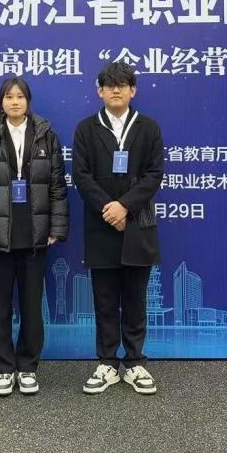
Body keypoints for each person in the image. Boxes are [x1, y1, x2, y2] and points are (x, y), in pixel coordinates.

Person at [0, 76, 68, 396]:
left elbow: (57, 185)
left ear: (28, 101)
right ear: (1, 102)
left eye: (20, 96)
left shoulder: (46, 135)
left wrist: (56, 228)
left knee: (31, 306)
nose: (14, 102)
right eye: (9, 97)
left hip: (34, 233)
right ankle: (2, 369)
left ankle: (27, 367)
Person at [72, 61, 164, 395]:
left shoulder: (148, 128)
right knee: (105, 300)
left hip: (137, 224)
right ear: (99, 91)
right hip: (100, 225)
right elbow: (81, 176)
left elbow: (154, 174)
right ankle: (108, 363)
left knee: (136, 299)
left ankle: (135, 362)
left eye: (122, 85)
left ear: (132, 91)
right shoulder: (86, 129)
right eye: (109, 85)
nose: (115, 90)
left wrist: (125, 206)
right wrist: (108, 208)